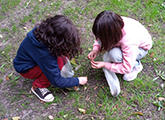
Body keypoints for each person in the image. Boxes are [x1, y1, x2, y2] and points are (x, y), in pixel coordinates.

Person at [13, 15, 88, 102]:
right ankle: (38, 86)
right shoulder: (45, 55)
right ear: (58, 42)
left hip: (33, 60)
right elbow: (57, 81)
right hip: (26, 69)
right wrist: (77, 80)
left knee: (59, 61)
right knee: (57, 66)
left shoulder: (42, 33)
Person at [87, 10, 152, 96]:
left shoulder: (129, 41)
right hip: (124, 42)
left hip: (141, 49)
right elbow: (99, 38)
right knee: (112, 53)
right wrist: (96, 49)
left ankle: (136, 65)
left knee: (114, 55)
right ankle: (130, 60)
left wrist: (105, 65)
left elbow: (126, 68)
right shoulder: (112, 25)